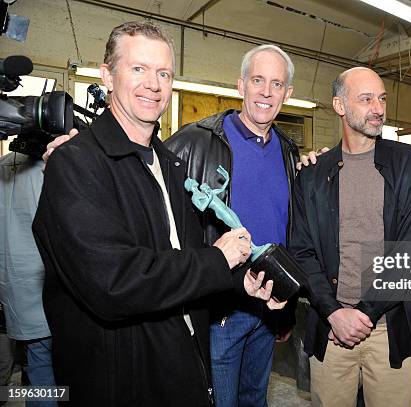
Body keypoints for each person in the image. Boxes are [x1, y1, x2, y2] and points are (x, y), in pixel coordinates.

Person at [33, 21, 281, 407]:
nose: (154, 84)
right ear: (107, 76)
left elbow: (182, 258)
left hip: (181, 364)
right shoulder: (76, 164)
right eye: (138, 69)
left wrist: (238, 285)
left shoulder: (169, 165)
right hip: (121, 380)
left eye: (163, 73)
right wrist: (218, 259)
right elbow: (114, 284)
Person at [164, 44, 299, 407]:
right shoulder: (196, 141)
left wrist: (286, 304)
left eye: (276, 84)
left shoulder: (289, 151)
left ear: (287, 93)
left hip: (268, 304)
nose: (266, 92)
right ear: (241, 85)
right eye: (257, 80)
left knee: (255, 398)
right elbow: (145, 179)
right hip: (220, 308)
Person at [290, 67, 411, 407]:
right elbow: (302, 251)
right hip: (331, 327)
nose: (378, 109)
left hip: (387, 327)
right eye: (366, 99)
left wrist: (364, 314)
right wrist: (335, 313)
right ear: (340, 105)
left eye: (381, 99)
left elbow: (410, 251)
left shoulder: (409, 163)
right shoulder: (312, 174)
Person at [0, 151, 57, 406]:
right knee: (47, 369)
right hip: (48, 284)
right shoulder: (51, 164)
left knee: (37, 367)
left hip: (15, 285)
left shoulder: (3, 165)